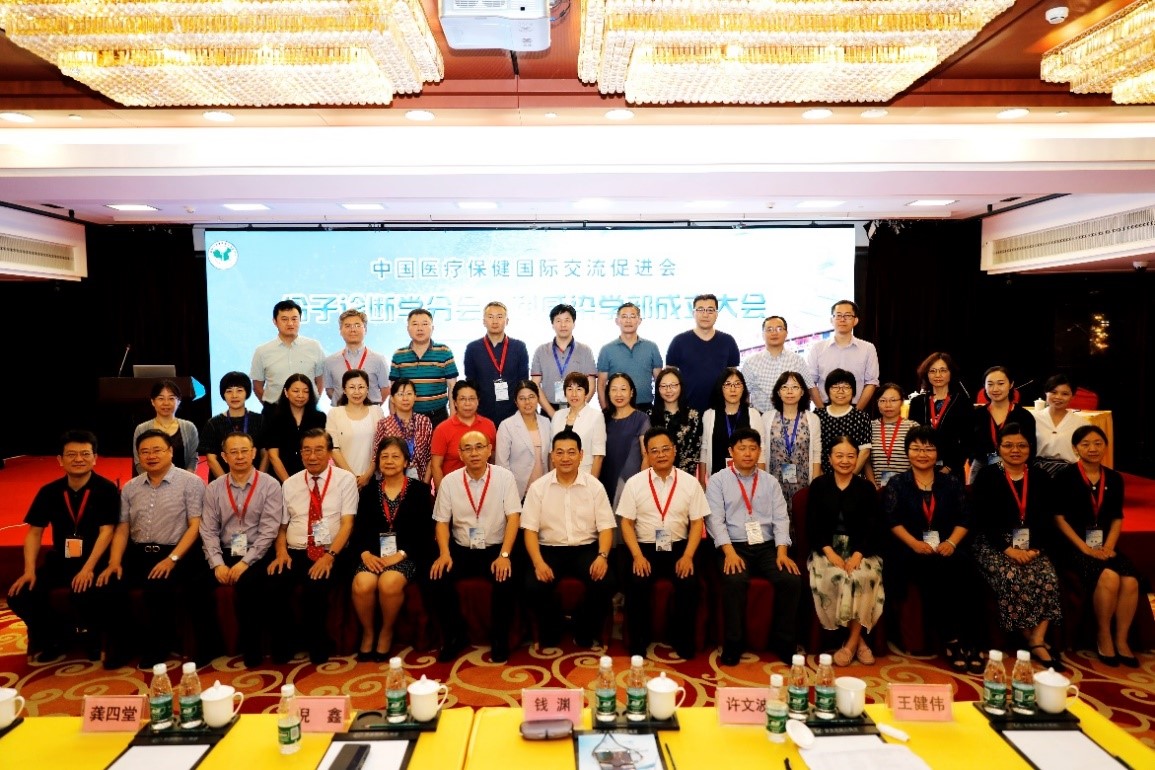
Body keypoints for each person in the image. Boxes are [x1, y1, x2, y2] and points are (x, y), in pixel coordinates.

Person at [98, 429, 206, 669]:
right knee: (109, 585)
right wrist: (114, 562)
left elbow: (195, 526)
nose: (151, 456)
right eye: (144, 452)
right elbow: (123, 528)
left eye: (157, 450)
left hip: (176, 552)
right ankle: (125, 645)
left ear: (170, 451)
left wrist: (172, 559)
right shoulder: (131, 487)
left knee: (157, 586)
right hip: (138, 553)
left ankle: (160, 645)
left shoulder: (191, 483)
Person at [8, 430, 118, 664]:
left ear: (95, 458)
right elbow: (34, 532)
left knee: (86, 590)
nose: (78, 459)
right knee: (20, 595)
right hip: (62, 560)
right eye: (71, 454)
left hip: (96, 560)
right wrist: (29, 570)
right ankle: (53, 638)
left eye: (85, 454)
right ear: (60, 459)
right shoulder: (49, 491)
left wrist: (88, 568)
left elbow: (107, 531)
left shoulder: (106, 489)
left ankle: (92, 638)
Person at [881, 427, 983, 672]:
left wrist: (951, 543)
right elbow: (892, 520)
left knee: (968, 570)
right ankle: (951, 639)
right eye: (916, 449)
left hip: (947, 545)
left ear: (937, 453)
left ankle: (971, 640)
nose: (922, 454)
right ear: (907, 452)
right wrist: (915, 543)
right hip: (910, 549)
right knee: (936, 570)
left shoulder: (950, 482)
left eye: (928, 449)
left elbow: (965, 518)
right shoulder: (898, 483)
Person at [971, 423, 1065, 671]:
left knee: (1047, 576)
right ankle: (1027, 635)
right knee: (1011, 575)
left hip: (1033, 544)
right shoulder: (987, 476)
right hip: (994, 544)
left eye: (1022, 445)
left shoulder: (1041, 477)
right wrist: (1008, 549)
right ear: (999, 447)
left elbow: (1047, 519)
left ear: (1030, 448)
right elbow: (982, 519)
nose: (1015, 450)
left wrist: (1035, 549)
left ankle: (1037, 638)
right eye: (1009, 445)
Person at [705, 428, 801, 666]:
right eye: (742, 448)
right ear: (731, 452)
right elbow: (714, 520)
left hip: (767, 547)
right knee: (734, 580)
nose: (747, 454)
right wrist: (728, 553)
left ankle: (784, 642)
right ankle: (733, 644)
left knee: (790, 580)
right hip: (734, 546)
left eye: (752, 448)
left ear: (760, 451)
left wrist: (782, 552)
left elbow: (781, 518)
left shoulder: (770, 482)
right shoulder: (718, 480)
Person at [429, 431, 522, 662]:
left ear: (489, 450)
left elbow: (513, 518)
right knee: (438, 577)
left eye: (479, 447)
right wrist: (444, 553)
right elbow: (442, 522)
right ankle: (454, 636)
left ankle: (499, 639)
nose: (474, 453)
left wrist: (505, 554)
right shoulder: (450, 481)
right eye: (468, 448)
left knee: (505, 578)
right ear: (460, 454)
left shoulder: (504, 477)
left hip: (496, 548)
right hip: (462, 548)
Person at [266, 428, 358, 664]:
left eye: (319, 450)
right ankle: (284, 644)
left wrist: (329, 556)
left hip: (333, 551)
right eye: (306, 451)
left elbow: (347, 524)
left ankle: (317, 645)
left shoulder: (345, 479)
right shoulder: (290, 484)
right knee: (275, 583)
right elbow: (282, 527)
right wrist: (281, 551)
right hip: (296, 551)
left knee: (314, 586)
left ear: (330, 453)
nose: (312, 456)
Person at [616, 428, 710, 659]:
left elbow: (697, 523)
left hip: (679, 547)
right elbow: (626, 523)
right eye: (654, 451)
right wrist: (637, 556)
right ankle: (638, 641)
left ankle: (682, 640)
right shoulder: (635, 483)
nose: (661, 455)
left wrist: (688, 556)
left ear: (674, 451)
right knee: (637, 582)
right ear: (647, 454)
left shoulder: (690, 483)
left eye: (665, 449)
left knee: (688, 583)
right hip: (645, 547)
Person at [1053, 425, 1141, 667]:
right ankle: (1103, 635)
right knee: (1109, 577)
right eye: (1085, 444)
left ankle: (1121, 639)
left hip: (1103, 545)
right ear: (1075, 449)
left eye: (1098, 443)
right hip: (1073, 546)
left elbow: (1117, 517)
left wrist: (1109, 546)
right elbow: (1058, 518)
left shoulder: (1114, 478)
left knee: (1131, 580)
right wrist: (1084, 548)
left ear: (1105, 447)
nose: (1092, 448)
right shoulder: (1064, 477)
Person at [521, 429, 617, 648]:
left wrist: (602, 556)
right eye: (560, 452)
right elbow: (530, 530)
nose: (566, 458)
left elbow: (605, 527)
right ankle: (554, 625)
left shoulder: (594, 486)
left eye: (571, 452)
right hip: (549, 548)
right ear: (552, 456)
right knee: (532, 585)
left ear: (581, 455)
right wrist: (538, 562)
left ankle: (583, 626)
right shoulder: (538, 488)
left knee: (607, 582)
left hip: (586, 548)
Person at [198, 432, 283, 668]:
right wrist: (217, 564)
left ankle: (252, 649)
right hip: (225, 551)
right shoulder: (214, 488)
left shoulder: (270, 485)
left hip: (258, 552)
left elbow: (269, 531)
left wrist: (245, 562)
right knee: (196, 585)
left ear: (254, 453)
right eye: (233, 452)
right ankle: (208, 646)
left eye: (244, 451)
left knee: (249, 584)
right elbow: (208, 530)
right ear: (224, 456)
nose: (240, 456)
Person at [350, 437, 434, 662]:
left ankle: (386, 632)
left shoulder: (420, 491)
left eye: (395, 456)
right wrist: (365, 554)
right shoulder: (368, 491)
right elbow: (359, 529)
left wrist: (399, 555)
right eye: (384, 456)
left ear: (406, 462)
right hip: (373, 555)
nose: (389, 461)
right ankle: (369, 632)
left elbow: (424, 533)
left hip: (407, 554)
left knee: (388, 583)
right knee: (363, 583)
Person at [806, 435, 885, 667]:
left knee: (862, 576)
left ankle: (850, 644)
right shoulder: (819, 486)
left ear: (857, 458)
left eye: (850, 456)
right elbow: (813, 525)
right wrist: (830, 554)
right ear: (830, 458)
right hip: (826, 549)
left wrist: (858, 554)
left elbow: (873, 526)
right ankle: (860, 642)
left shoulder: (866, 488)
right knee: (838, 576)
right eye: (839, 456)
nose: (845, 461)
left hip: (861, 550)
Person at [665, 293, 741, 412]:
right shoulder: (679, 341)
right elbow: (668, 378)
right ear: (693, 313)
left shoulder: (728, 341)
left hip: (721, 410)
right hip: (686, 410)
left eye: (710, 310)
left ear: (716, 314)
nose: (705, 314)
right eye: (700, 310)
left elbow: (733, 378)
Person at [762, 371, 821, 515]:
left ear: (802, 392)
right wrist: (762, 482)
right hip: (774, 481)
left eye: (795, 387)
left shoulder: (812, 419)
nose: (789, 391)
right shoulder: (767, 418)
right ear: (778, 392)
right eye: (784, 387)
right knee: (776, 520)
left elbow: (816, 453)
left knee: (801, 519)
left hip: (803, 482)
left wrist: (815, 484)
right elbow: (761, 452)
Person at [250, 299, 325, 411]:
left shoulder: (314, 346)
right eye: (284, 319)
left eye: (294, 319)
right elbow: (257, 386)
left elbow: (321, 380)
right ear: (275, 321)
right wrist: (271, 407)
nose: (290, 323)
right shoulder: (262, 351)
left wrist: (312, 403)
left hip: (308, 411)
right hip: (274, 411)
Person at [389, 308, 459, 427]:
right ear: (408, 328)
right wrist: (394, 420)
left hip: (438, 417)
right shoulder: (399, 355)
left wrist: (452, 418)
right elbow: (393, 391)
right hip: (408, 417)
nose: (420, 328)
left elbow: (452, 387)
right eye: (415, 324)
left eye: (425, 324)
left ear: (432, 328)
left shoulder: (444, 352)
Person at [463, 301, 529, 425]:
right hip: (482, 413)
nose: (495, 321)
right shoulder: (472, 348)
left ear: (507, 321)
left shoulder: (519, 347)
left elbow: (523, 381)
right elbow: (471, 382)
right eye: (490, 317)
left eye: (499, 317)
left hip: (513, 413)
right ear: (484, 321)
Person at [906, 352, 971, 482]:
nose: (937, 375)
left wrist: (949, 467)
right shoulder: (918, 402)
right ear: (926, 374)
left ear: (951, 373)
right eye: (933, 371)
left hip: (951, 469)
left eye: (943, 370)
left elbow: (968, 439)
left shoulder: (962, 402)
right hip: (921, 466)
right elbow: (912, 437)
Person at [807, 299, 879, 411]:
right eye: (838, 315)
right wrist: (822, 411)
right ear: (831, 320)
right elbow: (810, 382)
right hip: (824, 407)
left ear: (855, 320)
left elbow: (871, 382)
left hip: (857, 408)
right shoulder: (817, 348)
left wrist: (857, 412)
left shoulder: (868, 348)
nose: (842, 319)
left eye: (848, 315)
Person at [969, 365, 1036, 484]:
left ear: (1011, 384)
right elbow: (969, 444)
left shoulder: (1024, 416)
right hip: (981, 467)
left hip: (1014, 466)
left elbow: (1031, 448)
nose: (995, 389)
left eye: (1000, 383)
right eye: (990, 384)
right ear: (984, 386)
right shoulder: (977, 415)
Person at [531, 303, 597, 417]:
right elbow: (535, 384)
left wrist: (578, 410)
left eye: (567, 320)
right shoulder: (541, 351)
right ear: (552, 324)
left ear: (574, 324)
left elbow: (591, 384)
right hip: (548, 410)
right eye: (558, 321)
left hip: (578, 410)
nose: (563, 325)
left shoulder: (585, 351)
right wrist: (552, 413)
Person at [430, 380, 498, 488]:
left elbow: (493, 459)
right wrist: (442, 493)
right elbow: (435, 466)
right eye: (462, 399)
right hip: (453, 489)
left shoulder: (489, 425)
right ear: (455, 402)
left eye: (472, 398)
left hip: (484, 487)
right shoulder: (442, 429)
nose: (467, 403)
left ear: (478, 401)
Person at [596, 302, 663, 410]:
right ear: (617, 321)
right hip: (617, 408)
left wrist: (658, 409)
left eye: (632, 316)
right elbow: (601, 384)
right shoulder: (607, 350)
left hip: (645, 407)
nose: (628, 321)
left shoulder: (651, 347)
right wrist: (605, 411)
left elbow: (660, 382)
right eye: (624, 316)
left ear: (639, 320)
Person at [741, 315, 814, 413]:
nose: (774, 333)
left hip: (793, 417)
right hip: (761, 417)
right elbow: (743, 394)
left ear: (786, 333)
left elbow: (810, 388)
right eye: (769, 329)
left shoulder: (798, 360)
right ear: (763, 335)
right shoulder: (750, 362)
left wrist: (820, 412)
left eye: (779, 329)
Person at [700, 367, 765, 478]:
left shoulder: (753, 414)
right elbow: (704, 450)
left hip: (747, 478)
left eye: (737, 384)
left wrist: (761, 480)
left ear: (743, 388)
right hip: (717, 478)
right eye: (728, 384)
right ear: (721, 388)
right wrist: (702, 481)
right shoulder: (709, 415)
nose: (733, 389)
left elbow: (761, 449)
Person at [201, 371, 266, 480]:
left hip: (256, 481)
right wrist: (227, 483)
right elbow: (211, 459)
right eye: (229, 391)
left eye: (239, 390)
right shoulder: (213, 423)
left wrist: (258, 480)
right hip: (223, 482)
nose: (234, 395)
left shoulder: (260, 420)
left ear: (247, 392)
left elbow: (265, 454)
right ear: (223, 394)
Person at [262, 374, 327, 483]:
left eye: (305, 391)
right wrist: (289, 483)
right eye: (296, 391)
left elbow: (322, 450)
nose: (301, 395)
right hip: (281, 478)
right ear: (286, 392)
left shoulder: (319, 418)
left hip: (312, 477)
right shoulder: (274, 418)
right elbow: (273, 456)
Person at [328, 369, 386, 489]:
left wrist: (368, 475)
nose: (357, 392)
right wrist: (352, 477)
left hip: (372, 478)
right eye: (352, 387)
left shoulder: (377, 411)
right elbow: (334, 449)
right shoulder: (335, 413)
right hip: (343, 479)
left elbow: (381, 447)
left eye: (361, 387)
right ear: (344, 390)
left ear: (367, 389)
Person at [496, 380, 552, 499]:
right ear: (516, 402)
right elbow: (501, 464)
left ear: (538, 399)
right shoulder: (506, 426)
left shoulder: (546, 422)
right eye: (522, 398)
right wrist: (509, 492)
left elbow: (550, 457)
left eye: (531, 397)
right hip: (518, 492)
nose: (527, 402)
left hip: (543, 490)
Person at [600, 372, 651, 506]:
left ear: (631, 392)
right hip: (605, 479)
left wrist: (642, 484)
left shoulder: (642, 418)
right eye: (614, 390)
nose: (619, 394)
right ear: (608, 393)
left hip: (631, 482)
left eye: (623, 389)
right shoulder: (602, 418)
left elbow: (646, 455)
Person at [373, 377, 434, 484]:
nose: (405, 398)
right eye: (400, 394)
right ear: (392, 398)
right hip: (390, 481)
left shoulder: (424, 422)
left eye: (409, 394)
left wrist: (425, 484)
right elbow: (377, 456)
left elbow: (430, 457)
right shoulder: (384, 424)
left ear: (415, 396)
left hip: (419, 480)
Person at [132, 379, 199, 475]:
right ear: (153, 401)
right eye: (161, 398)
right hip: (150, 481)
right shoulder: (141, 429)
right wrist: (153, 481)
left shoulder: (189, 428)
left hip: (182, 481)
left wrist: (185, 480)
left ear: (179, 401)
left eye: (171, 398)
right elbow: (139, 462)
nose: (166, 403)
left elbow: (193, 460)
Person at [323, 309, 390, 404]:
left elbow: (385, 389)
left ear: (365, 330)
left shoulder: (378, 359)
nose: (353, 330)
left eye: (357, 325)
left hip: (370, 410)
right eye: (347, 326)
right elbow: (330, 390)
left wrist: (372, 408)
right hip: (341, 411)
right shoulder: (330, 361)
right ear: (340, 331)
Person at [550, 371, 607, 478]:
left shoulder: (596, 416)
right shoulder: (557, 416)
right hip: (559, 476)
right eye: (570, 389)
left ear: (586, 393)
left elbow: (598, 456)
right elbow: (552, 453)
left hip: (585, 475)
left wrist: (592, 483)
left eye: (579, 389)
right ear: (565, 393)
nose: (574, 394)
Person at [814, 369, 871, 476]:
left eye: (846, 387)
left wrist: (848, 478)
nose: (840, 391)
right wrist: (821, 478)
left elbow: (865, 451)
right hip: (823, 477)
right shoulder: (818, 415)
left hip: (854, 478)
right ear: (827, 390)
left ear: (853, 391)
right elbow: (814, 450)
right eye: (835, 387)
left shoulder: (861, 417)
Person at [649, 367, 702, 477]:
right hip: (656, 476)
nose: (668, 390)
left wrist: (679, 477)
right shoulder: (649, 416)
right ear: (658, 389)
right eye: (664, 386)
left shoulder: (693, 416)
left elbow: (695, 452)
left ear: (681, 387)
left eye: (673, 385)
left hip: (684, 477)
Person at [1035, 374, 1090, 477]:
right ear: (1046, 393)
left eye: (1065, 394)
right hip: (1037, 472)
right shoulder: (1033, 419)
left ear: (1072, 396)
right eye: (1053, 392)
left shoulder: (1082, 423)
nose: (1058, 397)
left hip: (1069, 474)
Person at [866, 382, 919, 488]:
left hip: (907, 488)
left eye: (893, 400)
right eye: (883, 401)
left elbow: (918, 459)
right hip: (876, 488)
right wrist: (873, 486)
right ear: (877, 403)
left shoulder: (913, 427)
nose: (888, 405)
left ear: (902, 402)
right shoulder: (869, 426)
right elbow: (866, 461)